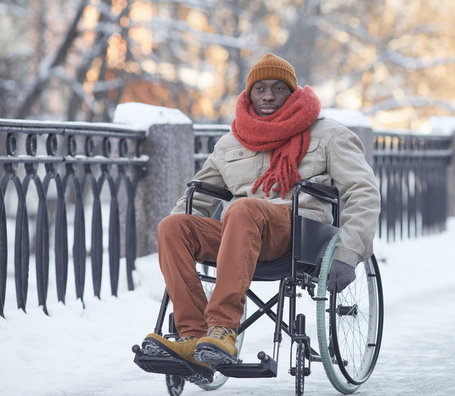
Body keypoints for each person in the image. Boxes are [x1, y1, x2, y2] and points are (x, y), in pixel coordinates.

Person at [141, 53, 380, 378]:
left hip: (299, 235)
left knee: (242, 208)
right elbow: (196, 199)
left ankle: (224, 331)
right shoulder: (232, 142)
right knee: (173, 226)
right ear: (249, 94)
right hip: (241, 235)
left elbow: (363, 191)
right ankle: (193, 338)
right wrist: (174, 261)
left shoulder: (328, 135)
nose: (268, 95)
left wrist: (349, 253)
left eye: (278, 88)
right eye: (261, 89)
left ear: (293, 92)